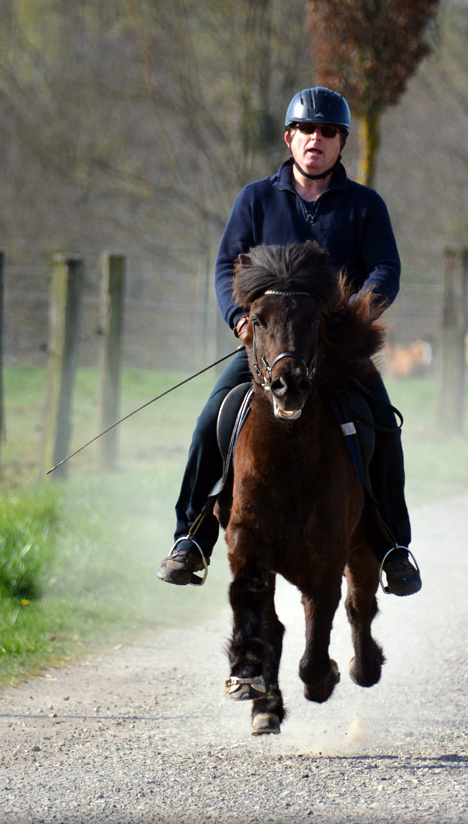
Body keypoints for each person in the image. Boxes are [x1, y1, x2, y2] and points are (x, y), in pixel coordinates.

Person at [156, 86, 421, 597]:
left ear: (341, 143)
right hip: (267, 351)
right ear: (289, 138)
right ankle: (190, 539)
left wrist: (355, 312)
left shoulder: (365, 206)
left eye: (327, 132)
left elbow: (386, 267)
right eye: (306, 130)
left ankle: (393, 547)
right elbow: (224, 265)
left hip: (338, 351)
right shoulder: (255, 199)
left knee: (384, 427)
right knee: (211, 418)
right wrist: (238, 317)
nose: (315, 140)